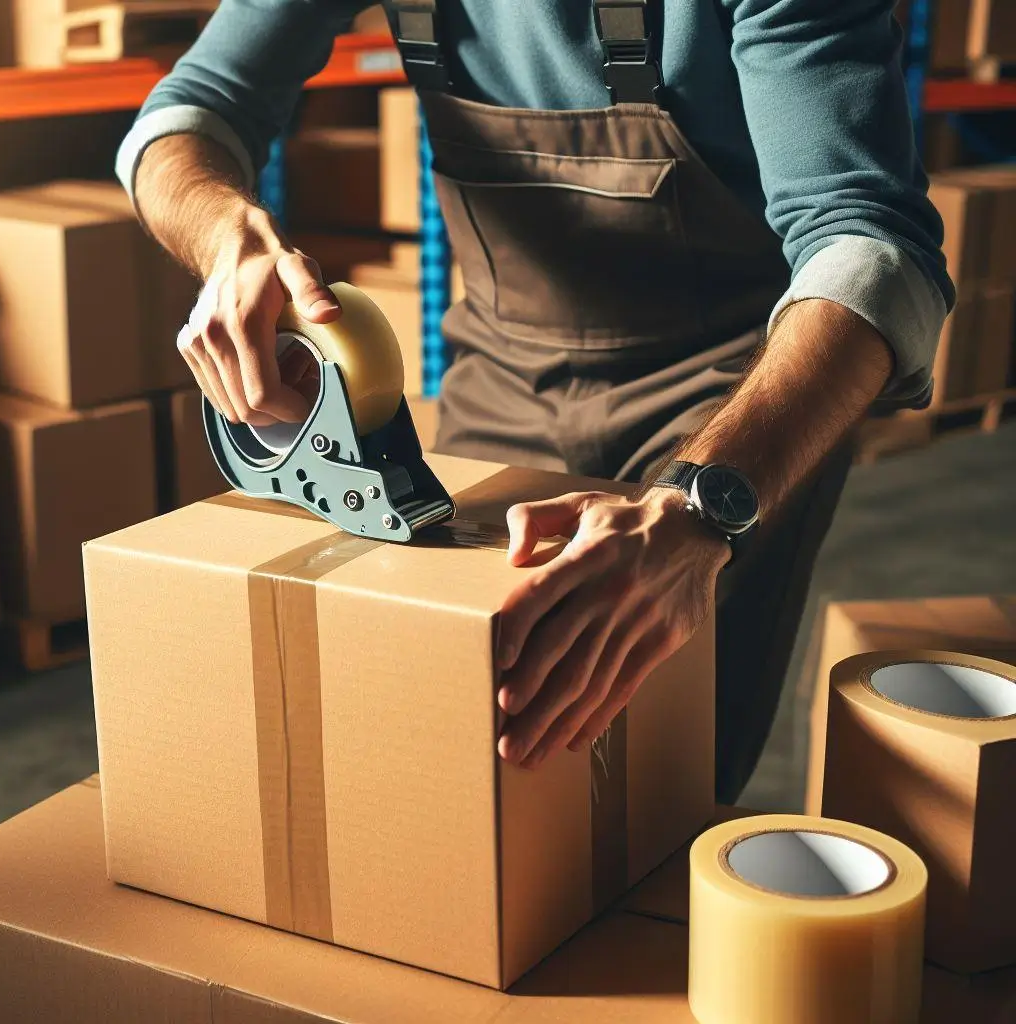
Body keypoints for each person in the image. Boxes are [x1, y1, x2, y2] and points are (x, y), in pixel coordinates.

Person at [117, 0, 953, 804]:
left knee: (653, 787)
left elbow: (872, 246)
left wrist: (704, 507)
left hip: (730, 407)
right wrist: (225, 234)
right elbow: (183, 117)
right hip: (502, 378)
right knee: (448, 753)